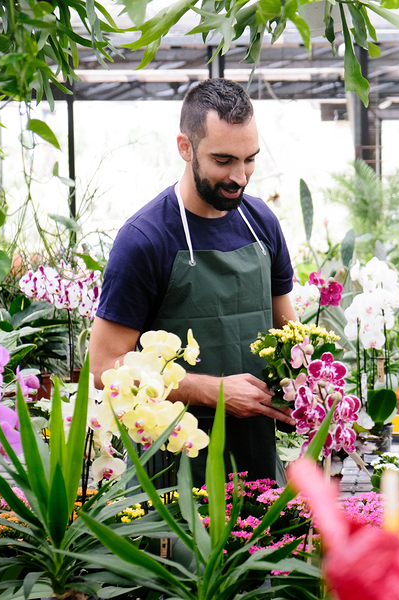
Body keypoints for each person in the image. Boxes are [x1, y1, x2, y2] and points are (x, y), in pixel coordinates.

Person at [90, 78, 297, 484]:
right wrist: (213, 390)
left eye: (249, 159)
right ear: (185, 147)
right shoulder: (145, 239)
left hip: (256, 461)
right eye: (223, 161)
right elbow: (103, 366)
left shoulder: (262, 224)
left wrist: (309, 384)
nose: (240, 176)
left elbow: (288, 337)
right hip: (172, 469)